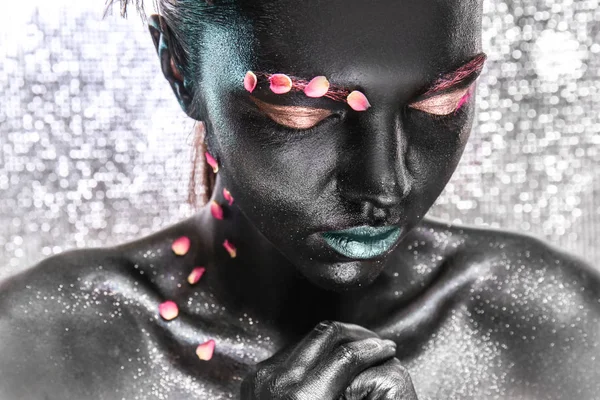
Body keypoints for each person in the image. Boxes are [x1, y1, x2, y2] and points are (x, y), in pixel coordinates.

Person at [1, 0, 599, 398]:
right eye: (303, 112)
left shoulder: (562, 328)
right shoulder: (34, 350)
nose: (383, 187)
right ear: (180, 68)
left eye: (439, 104)